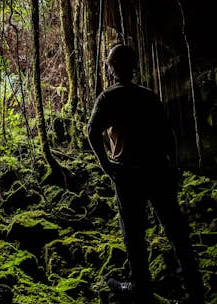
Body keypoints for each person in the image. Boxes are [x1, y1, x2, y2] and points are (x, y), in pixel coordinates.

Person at [87, 43, 205, 303]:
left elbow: (92, 132)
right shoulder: (149, 97)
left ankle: (141, 287)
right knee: (176, 229)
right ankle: (194, 289)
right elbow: (168, 135)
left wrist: (107, 166)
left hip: (128, 174)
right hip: (158, 170)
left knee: (133, 232)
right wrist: (172, 165)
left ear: (112, 68)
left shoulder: (108, 98)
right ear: (134, 66)